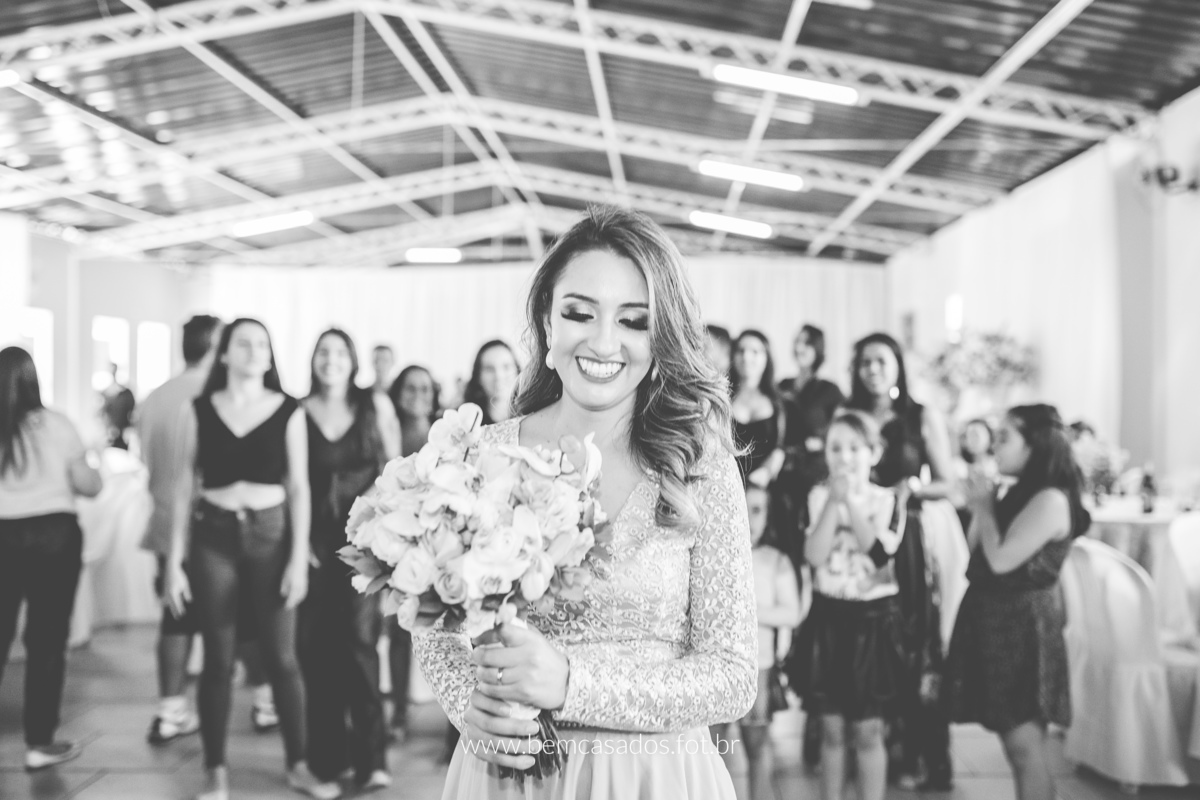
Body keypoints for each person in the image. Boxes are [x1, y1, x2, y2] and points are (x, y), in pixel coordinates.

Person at [413, 205, 757, 798]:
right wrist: (468, 701)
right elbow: (436, 624)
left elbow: (733, 675)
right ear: (547, 324)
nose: (603, 341)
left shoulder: (700, 467)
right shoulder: (482, 455)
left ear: (661, 337)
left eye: (633, 320)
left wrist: (573, 684)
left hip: (657, 776)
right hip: (510, 773)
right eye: (579, 313)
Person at [163, 318, 334, 800]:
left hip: (271, 537)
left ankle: (298, 766)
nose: (256, 351)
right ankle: (215, 772)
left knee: (282, 658)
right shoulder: (198, 409)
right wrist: (173, 562)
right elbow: (183, 486)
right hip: (212, 537)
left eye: (263, 344)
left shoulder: (288, 409)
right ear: (224, 353)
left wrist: (298, 559)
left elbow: (299, 488)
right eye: (244, 343)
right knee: (217, 660)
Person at [945, 405, 1087, 800]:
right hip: (994, 623)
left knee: (1024, 748)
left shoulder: (1050, 499)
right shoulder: (1014, 491)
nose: (995, 446)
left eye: (1005, 438)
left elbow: (1002, 560)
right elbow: (975, 548)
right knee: (1015, 747)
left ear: (1035, 445)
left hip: (1024, 630)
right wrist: (983, 505)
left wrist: (984, 506)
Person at [845, 332, 956, 791]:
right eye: (865, 362)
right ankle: (870, 744)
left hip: (906, 537)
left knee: (912, 636)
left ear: (897, 366)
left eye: (881, 361)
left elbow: (948, 483)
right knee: (865, 636)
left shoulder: (920, 415)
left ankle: (923, 754)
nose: (873, 369)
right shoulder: (849, 416)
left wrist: (912, 489)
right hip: (856, 536)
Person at [299, 330, 399, 795]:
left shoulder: (373, 406)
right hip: (315, 545)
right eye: (323, 352)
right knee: (317, 651)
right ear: (313, 360)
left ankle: (372, 760)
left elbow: (393, 468)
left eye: (340, 352)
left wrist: (365, 517)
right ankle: (327, 758)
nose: (331, 360)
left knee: (361, 645)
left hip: (363, 543)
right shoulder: (299, 412)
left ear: (352, 360)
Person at [794, 410, 906, 800]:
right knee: (832, 729)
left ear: (874, 453)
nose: (844, 457)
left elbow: (878, 555)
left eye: (855, 448)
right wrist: (832, 504)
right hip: (828, 619)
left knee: (869, 731)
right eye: (836, 448)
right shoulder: (816, 497)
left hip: (871, 622)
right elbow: (814, 554)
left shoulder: (887, 500)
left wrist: (850, 504)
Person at [0, 346, 103, 771]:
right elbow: (89, 485)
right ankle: (39, 742)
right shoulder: (58, 425)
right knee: (46, 639)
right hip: (54, 537)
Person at [136, 314, 222, 745]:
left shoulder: (154, 397)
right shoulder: (216, 395)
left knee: (175, 617)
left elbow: (145, 458)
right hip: (205, 523)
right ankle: (265, 701)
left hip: (163, 517)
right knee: (236, 617)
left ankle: (170, 709)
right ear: (216, 345)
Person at [712, 484, 801, 800]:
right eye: (745, 506)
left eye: (759, 509)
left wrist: (747, 611)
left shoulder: (775, 561)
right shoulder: (715, 555)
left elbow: (792, 612)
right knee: (713, 747)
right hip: (716, 666)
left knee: (757, 745)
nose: (750, 517)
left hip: (758, 668)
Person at [385, 364, 441, 742]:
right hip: (399, 544)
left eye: (424, 388)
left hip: (439, 544)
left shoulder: (445, 434)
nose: (418, 395)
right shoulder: (389, 431)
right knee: (397, 630)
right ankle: (399, 712)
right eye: (410, 388)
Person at [776, 324, 845, 566]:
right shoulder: (782, 386)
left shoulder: (830, 391)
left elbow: (837, 433)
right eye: (797, 341)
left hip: (814, 475)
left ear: (818, 349)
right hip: (783, 472)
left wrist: (816, 443)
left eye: (806, 343)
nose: (799, 347)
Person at [730, 330, 785, 490]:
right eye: (741, 350)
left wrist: (773, 464)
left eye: (755, 351)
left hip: (766, 491)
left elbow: (790, 447)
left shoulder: (781, 403)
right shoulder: (721, 397)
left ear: (767, 358)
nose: (746, 357)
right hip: (727, 486)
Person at [461, 340, 520, 426]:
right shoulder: (464, 422)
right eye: (489, 369)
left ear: (517, 371)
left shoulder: (531, 417)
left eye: (506, 367)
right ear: (478, 376)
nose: (499, 376)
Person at [955, 419, 997, 535]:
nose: (972, 439)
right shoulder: (959, 468)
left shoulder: (1000, 466)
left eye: (976, 434)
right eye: (967, 435)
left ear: (989, 436)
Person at [100, 361, 136, 450]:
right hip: (109, 434)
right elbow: (101, 414)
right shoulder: (104, 394)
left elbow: (132, 413)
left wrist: (128, 429)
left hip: (123, 434)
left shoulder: (126, 393)